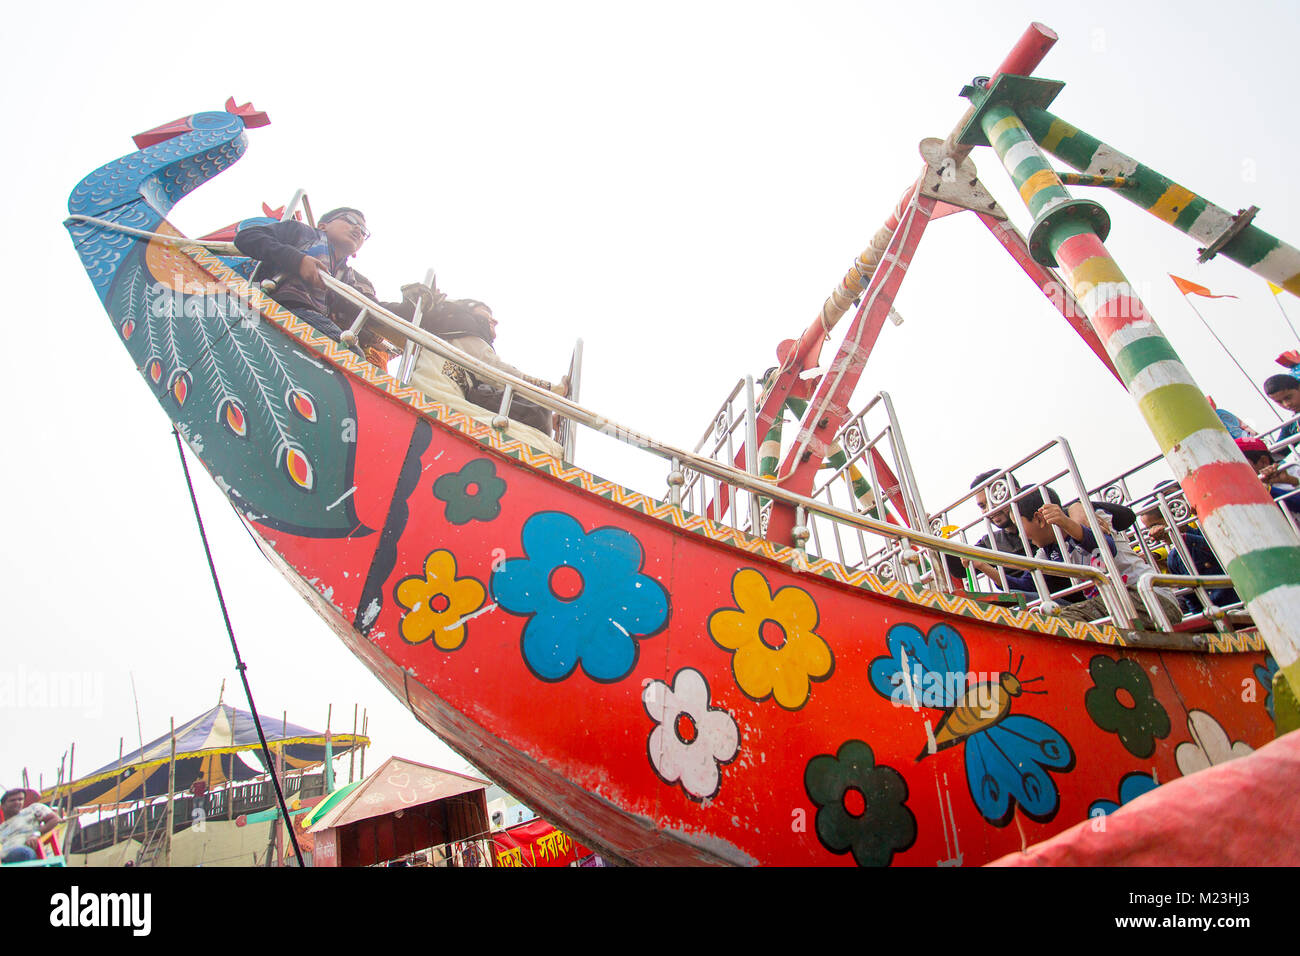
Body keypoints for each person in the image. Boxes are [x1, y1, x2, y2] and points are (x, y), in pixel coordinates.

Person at [233, 207, 433, 362]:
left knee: (354, 355)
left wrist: (409, 307)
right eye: (351, 221)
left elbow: (367, 306)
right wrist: (296, 260)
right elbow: (248, 237)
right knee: (350, 358)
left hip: (312, 318)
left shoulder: (346, 275)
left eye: (364, 231)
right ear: (323, 225)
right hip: (278, 305)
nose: (358, 229)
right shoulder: (303, 234)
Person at [1009, 488, 1180, 630]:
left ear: (1039, 518)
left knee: (1061, 622)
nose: (1018, 534)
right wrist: (985, 566)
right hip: (1114, 604)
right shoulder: (1049, 550)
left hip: (1149, 598)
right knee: (1044, 618)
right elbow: (1028, 585)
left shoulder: (1090, 516)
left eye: (1019, 525)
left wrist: (1069, 522)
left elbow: (1106, 548)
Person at [412, 298, 569, 434]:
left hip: (438, 397)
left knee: (537, 423)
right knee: (533, 436)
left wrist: (548, 407)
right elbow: (499, 372)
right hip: (435, 399)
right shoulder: (463, 329)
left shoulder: (454, 336)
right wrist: (553, 392)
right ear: (467, 311)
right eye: (486, 312)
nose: (495, 321)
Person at [1137, 485, 1239, 615]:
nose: (1152, 533)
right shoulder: (1173, 557)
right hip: (1215, 615)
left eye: (1155, 525)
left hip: (1241, 606)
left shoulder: (1208, 533)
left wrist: (1181, 536)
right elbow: (1191, 597)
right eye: (1148, 529)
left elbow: (1215, 549)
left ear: (1174, 515)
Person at [0, 789, 61, 864]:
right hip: (4, 858)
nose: (17, 802)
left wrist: (36, 835)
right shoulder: (2, 827)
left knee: (22, 853)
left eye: (20, 799)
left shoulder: (32, 809)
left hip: (23, 852)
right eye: (12, 800)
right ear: (3, 805)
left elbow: (55, 819)